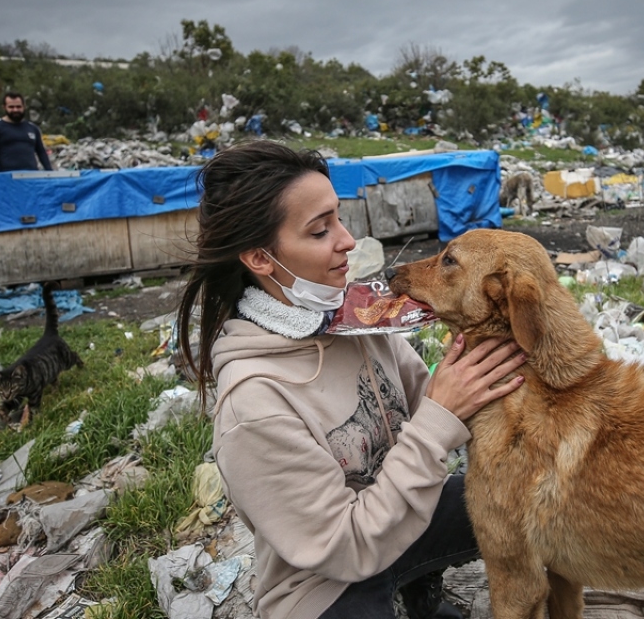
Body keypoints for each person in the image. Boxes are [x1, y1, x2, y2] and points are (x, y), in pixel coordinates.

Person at [177, 141, 526, 619]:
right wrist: (439, 418)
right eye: (320, 230)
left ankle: (422, 595)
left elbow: (434, 402)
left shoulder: (354, 322)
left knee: (526, 502)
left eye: (338, 218)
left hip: (400, 520)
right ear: (260, 258)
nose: (347, 240)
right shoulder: (253, 402)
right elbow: (348, 545)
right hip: (328, 578)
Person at [0, 92, 53, 172]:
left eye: (18, 107)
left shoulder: (33, 128)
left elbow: (41, 152)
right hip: (7, 177)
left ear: (24, 107)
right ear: (4, 107)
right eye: (11, 107)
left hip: (31, 176)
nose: (15, 110)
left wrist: (50, 173)